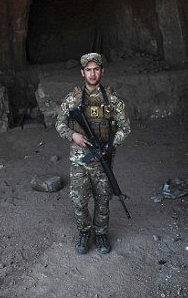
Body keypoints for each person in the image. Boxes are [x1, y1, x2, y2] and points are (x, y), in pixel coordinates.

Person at [55, 52, 131, 254]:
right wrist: (74, 136)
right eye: (88, 70)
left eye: (96, 69)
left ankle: (100, 234)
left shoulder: (112, 100)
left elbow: (125, 128)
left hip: (103, 159)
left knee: (103, 199)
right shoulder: (72, 99)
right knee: (78, 199)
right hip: (79, 160)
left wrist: (110, 146)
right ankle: (83, 232)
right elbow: (59, 124)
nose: (92, 73)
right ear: (82, 72)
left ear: (102, 71)